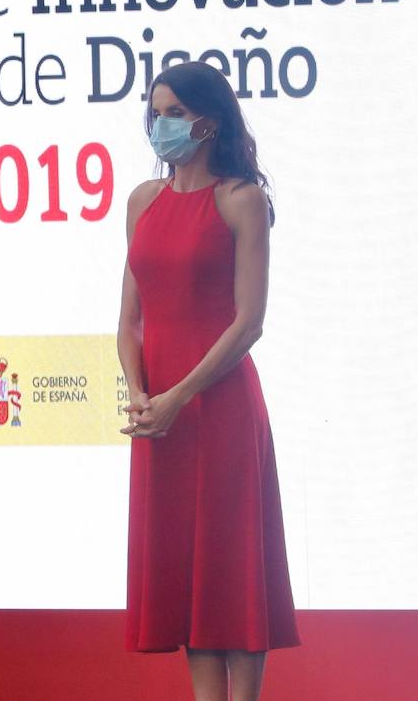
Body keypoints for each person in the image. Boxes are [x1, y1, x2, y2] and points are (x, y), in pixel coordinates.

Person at [119, 61, 299, 701]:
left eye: (173, 112)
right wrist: (140, 394)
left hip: (219, 409)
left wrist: (177, 396)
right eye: (155, 112)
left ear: (209, 120)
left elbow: (249, 323)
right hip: (160, 416)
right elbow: (129, 319)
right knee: (189, 572)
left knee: (231, 569)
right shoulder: (143, 199)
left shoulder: (241, 199)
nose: (160, 125)